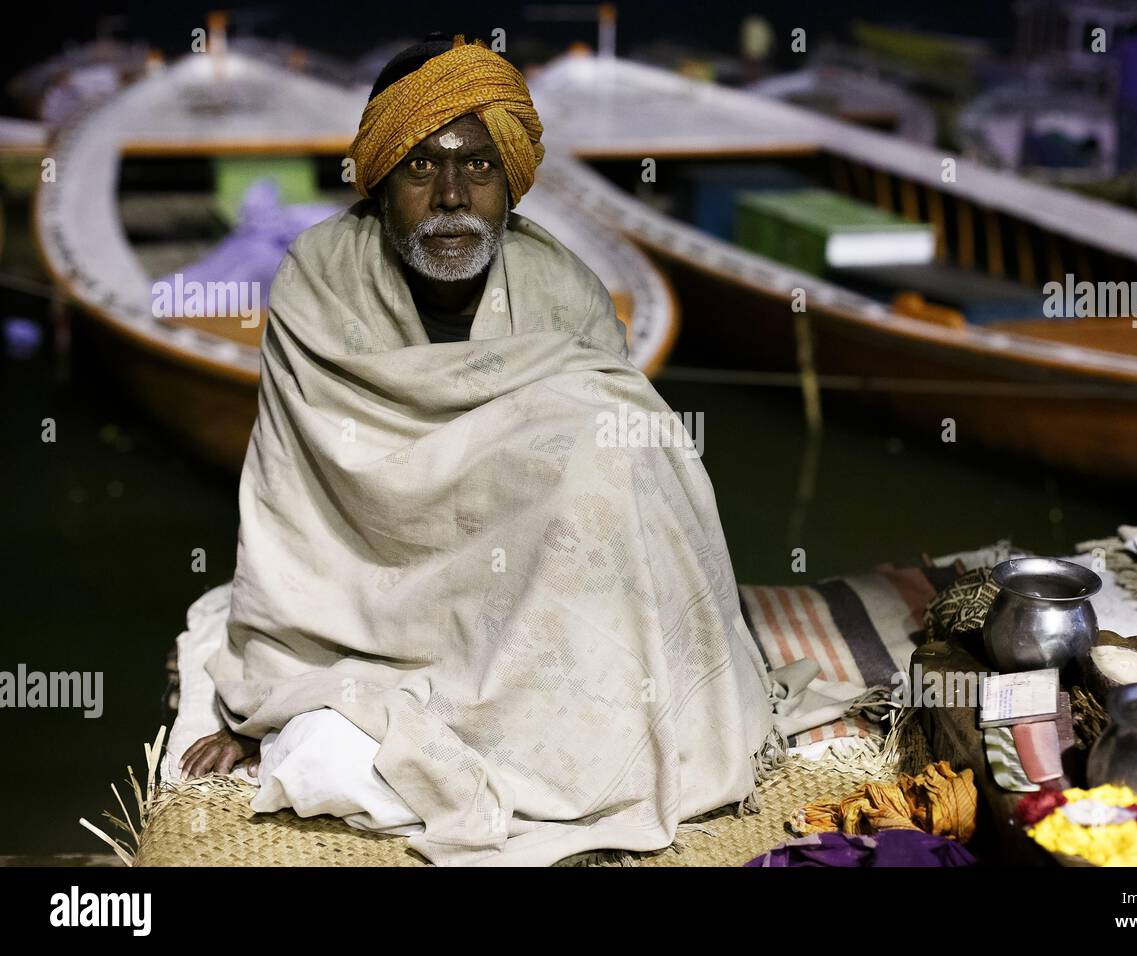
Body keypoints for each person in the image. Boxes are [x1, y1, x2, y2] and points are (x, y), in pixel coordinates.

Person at [181, 33, 780, 866]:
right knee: (323, 749)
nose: (454, 196)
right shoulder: (319, 283)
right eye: (422, 168)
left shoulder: (562, 289)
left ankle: (602, 710)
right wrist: (265, 706)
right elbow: (294, 504)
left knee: (621, 433)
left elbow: (618, 503)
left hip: (530, 606)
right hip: (375, 593)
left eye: (480, 166)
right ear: (381, 179)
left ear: (513, 181)